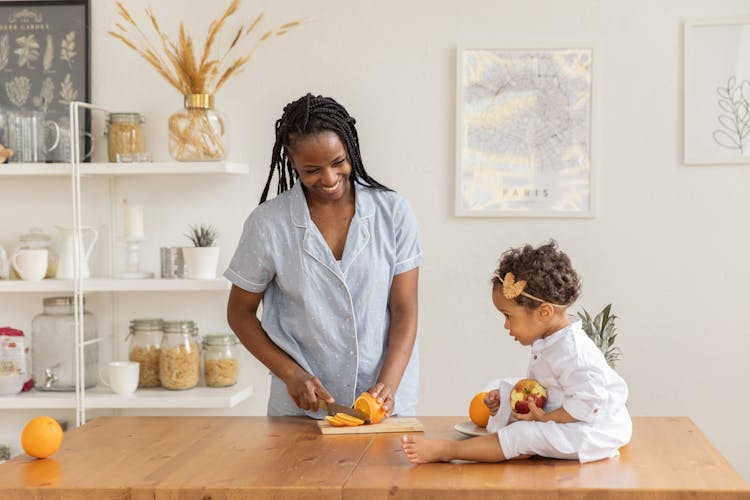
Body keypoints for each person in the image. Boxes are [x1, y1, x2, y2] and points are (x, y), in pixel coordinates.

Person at [225, 93, 423, 418]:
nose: (329, 179)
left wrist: (388, 385)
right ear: (292, 164)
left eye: (338, 162)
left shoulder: (393, 212)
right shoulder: (267, 224)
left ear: (351, 149)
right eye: (312, 170)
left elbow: (405, 308)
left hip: (386, 403)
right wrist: (291, 373)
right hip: (302, 409)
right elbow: (239, 313)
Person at [401, 241, 631, 463]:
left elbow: (589, 402)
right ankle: (501, 438)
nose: (505, 325)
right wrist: (509, 400)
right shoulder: (551, 341)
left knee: (524, 434)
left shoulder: (572, 350)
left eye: (508, 316)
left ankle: (448, 450)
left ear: (544, 312)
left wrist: (545, 419)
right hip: (578, 417)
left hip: (594, 430)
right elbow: (552, 388)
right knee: (506, 393)